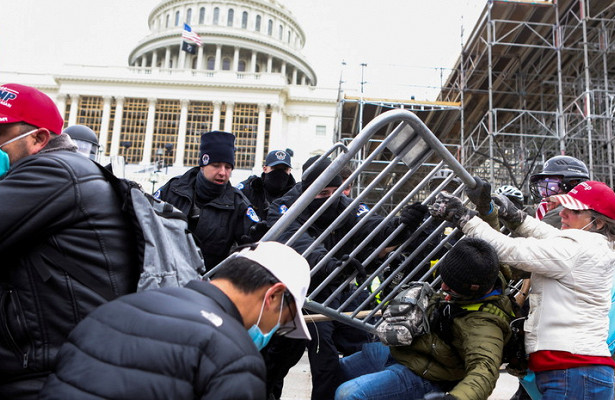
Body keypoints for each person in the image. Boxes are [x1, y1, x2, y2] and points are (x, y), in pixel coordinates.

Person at [0, 83, 139, 399]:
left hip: (48, 372)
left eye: (1, 133)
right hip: (62, 362)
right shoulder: (70, 171)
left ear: (38, 139)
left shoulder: (53, 171)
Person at [39, 241, 312, 400]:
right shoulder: (235, 357)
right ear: (274, 296)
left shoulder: (120, 307)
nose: (274, 330)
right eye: (283, 321)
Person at [430, 180, 615, 399]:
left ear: (599, 223)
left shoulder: (579, 248)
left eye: (574, 210)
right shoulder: (589, 246)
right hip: (573, 368)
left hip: (573, 368)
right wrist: (515, 216)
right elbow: (546, 233)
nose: (563, 213)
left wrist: (464, 218)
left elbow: (510, 250)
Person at [266, 155, 429, 400]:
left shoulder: (344, 205)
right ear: (308, 189)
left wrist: (400, 224)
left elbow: (371, 224)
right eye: (322, 193)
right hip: (299, 296)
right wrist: (332, 266)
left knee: (364, 345)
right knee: (284, 363)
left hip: (337, 291)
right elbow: (299, 242)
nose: (329, 199)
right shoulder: (286, 208)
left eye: (335, 191)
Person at [335, 237, 514, 400]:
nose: (443, 286)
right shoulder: (483, 267)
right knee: (333, 370)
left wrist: (456, 399)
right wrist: (487, 209)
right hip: (405, 349)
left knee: (349, 394)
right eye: (444, 279)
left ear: (473, 288)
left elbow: (485, 369)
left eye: (451, 287)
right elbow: (493, 240)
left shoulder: (485, 326)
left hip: (426, 373)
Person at [155, 130, 259, 268]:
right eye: (216, 165)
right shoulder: (173, 189)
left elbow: (254, 244)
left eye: (228, 167)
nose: (222, 172)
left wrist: (257, 237)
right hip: (166, 272)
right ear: (203, 165)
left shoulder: (238, 203)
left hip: (207, 280)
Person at [529, 155, 589, 226]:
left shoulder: (563, 213)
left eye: (551, 187)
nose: (544, 194)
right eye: (542, 187)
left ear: (573, 183)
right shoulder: (543, 210)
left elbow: (535, 231)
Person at [238, 148, 296, 220]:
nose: (279, 173)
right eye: (275, 168)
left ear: (289, 171)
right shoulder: (249, 189)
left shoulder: (296, 195)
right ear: (265, 169)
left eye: (284, 169)